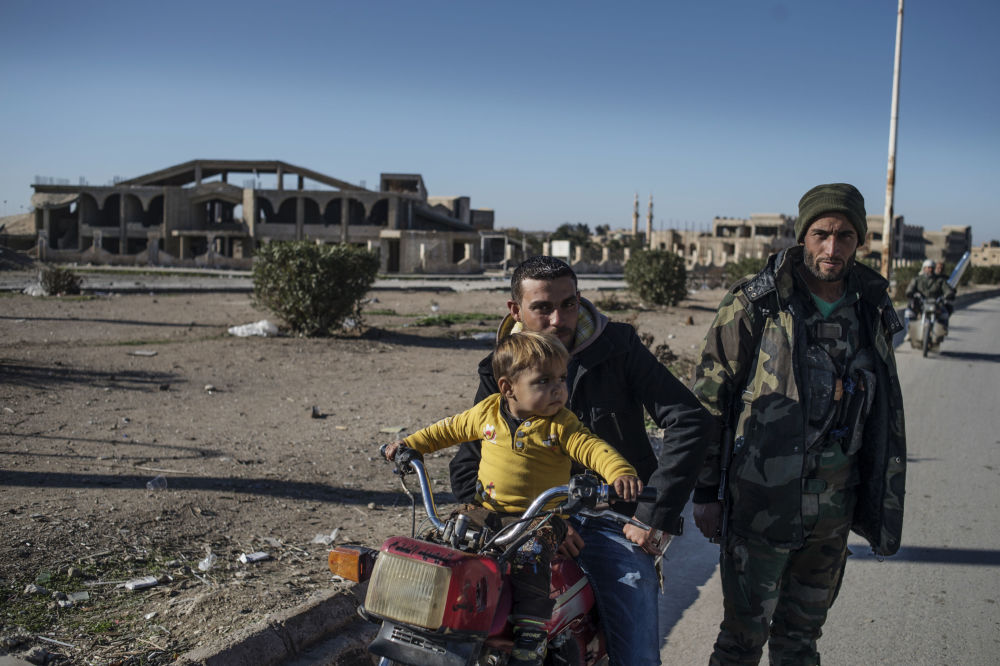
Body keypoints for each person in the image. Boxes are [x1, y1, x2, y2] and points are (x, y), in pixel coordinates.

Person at [449, 255, 715, 666]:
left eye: (569, 304)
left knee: (635, 619)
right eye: (542, 308)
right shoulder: (500, 368)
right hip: (526, 523)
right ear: (515, 310)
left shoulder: (618, 346)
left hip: (612, 523)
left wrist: (650, 516)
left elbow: (689, 419)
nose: (559, 319)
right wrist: (508, 517)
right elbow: (470, 458)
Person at [691, 183, 907, 665]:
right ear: (802, 235)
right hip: (760, 507)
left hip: (833, 513)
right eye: (821, 234)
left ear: (860, 240)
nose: (832, 248)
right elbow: (709, 402)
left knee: (800, 642)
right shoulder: (755, 303)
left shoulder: (871, 306)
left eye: (846, 236)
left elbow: (880, 410)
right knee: (740, 641)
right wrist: (706, 492)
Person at [384, 330, 642, 666]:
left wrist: (619, 472)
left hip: (541, 518)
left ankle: (531, 632)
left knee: (532, 557)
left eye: (562, 379)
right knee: (441, 536)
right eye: (544, 381)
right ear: (507, 388)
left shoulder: (561, 425)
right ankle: (411, 610)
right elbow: (447, 429)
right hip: (486, 510)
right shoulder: (488, 413)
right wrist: (409, 446)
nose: (558, 389)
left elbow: (592, 447)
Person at [906, 258, 956, 342]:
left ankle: (942, 331)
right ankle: (909, 332)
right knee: (908, 313)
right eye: (928, 268)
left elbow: (947, 289)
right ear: (924, 268)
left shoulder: (940, 280)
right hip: (921, 303)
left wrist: (949, 294)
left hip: (936, 304)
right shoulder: (917, 279)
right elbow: (910, 288)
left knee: (945, 314)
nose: (930, 270)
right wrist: (910, 293)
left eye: (932, 268)